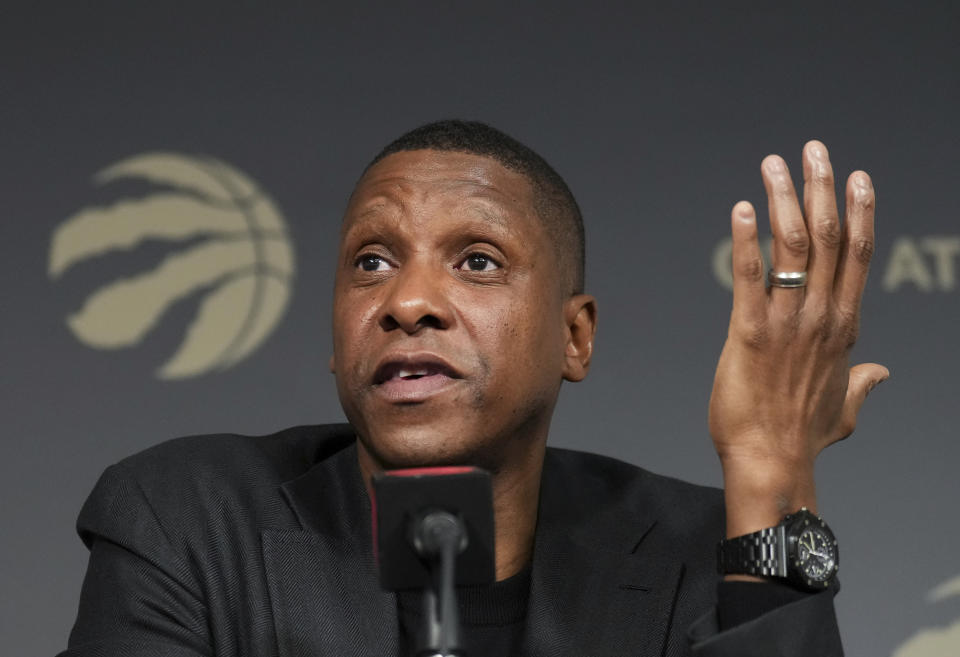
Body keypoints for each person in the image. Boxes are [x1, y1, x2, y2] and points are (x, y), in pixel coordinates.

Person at [59, 120, 888, 656]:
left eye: (477, 261)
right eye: (371, 262)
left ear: (576, 335)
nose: (406, 302)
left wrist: (770, 467)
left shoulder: (695, 550)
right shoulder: (187, 522)